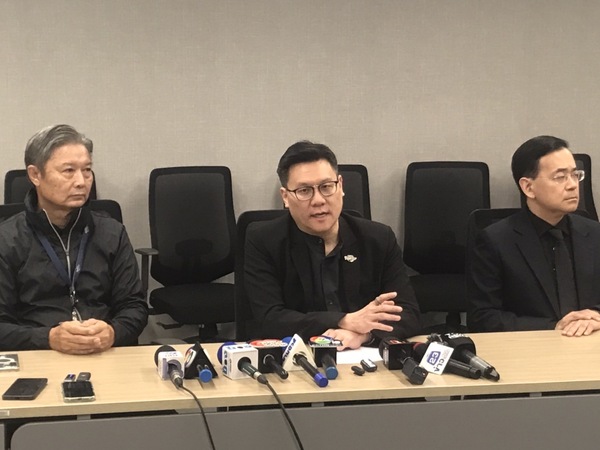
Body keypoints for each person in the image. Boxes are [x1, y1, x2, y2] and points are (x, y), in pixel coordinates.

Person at [244, 141, 421, 349]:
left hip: (364, 356)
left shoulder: (378, 238)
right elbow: (269, 319)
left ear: (340, 186)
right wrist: (344, 320)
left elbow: (408, 313)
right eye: (304, 190)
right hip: (296, 357)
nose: (318, 200)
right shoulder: (263, 240)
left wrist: (364, 335)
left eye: (326, 187)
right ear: (286, 197)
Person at [0, 124, 148, 354]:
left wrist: (113, 332)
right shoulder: (7, 239)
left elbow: (134, 306)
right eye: (69, 170)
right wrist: (48, 338)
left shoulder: (111, 232)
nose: (81, 181)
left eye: (87, 170)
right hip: (39, 355)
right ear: (35, 175)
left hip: (104, 352)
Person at [467, 135, 600, 336]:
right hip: (532, 345)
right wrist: (553, 327)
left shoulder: (594, 233)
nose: (573, 185)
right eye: (560, 177)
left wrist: (595, 315)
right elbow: (482, 317)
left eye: (575, 175)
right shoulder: (495, 240)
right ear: (528, 187)